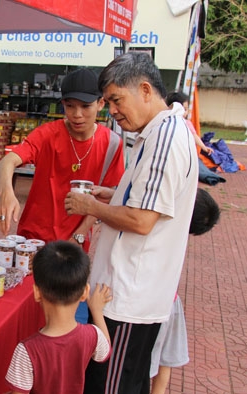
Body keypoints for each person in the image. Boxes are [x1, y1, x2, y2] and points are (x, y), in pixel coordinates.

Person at [64, 52, 199, 394]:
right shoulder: (156, 133)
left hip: (128, 299)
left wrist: (90, 205)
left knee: (111, 385)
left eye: (116, 100)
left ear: (145, 90)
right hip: (126, 295)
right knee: (126, 382)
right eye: (108, 102)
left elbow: (141, 220)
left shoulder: (166, 138)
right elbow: (145, 202)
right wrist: (114, 194)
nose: (113, 111)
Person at [0, 68, 125, 252]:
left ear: (100, 103)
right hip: (33, 239)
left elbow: (103, 198)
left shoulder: (112, 144)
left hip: (74, 242)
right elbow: (7, 162)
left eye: (85, 106)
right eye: (70, 105)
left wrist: (79, 235)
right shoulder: (47, 135)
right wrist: (6, 193)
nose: (77, 114)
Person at [5, 241, 112, 394]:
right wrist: (96, 311)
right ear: (85, 292)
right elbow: (105, 350)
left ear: (36, 293)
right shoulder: (92, 335)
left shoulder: (27, 350)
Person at [150, 188, 220, 394]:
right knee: (164, 359)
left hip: (152, 307)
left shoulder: (160, 231)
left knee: (146, 362)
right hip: (171, 302)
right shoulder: (178, 235)